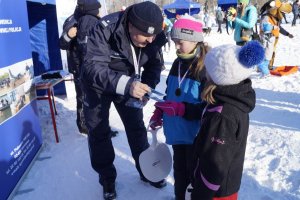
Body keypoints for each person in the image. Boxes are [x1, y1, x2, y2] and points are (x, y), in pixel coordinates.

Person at [81, 2, 167, 200]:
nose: (150, 40)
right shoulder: (105, 28)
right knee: (98, 131)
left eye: (153, 36)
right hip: (97, 86)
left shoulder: (153, 37)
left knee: (136, 128)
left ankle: (146, 170)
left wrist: (146, 87)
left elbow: (154, 65)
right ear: (130, 26)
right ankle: (107, 178)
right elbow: (92, 68)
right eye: (145, 36)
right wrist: (128, 85)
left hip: (129, 83)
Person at [187, 41, 265, 200]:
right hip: (223, 186)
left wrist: (200, 195)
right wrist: (182, 109)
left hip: (215, 192)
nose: (205, 73)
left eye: (208, 70)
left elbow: (215, 165)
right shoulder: (232, 98)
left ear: (219, 76)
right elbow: (205, 110)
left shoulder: (223, 116)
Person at [149, 15, 209, 200]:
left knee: (193, 177)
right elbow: (170, 93)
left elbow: (209, 109)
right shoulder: (177, 62)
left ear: (193, 40)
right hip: (176, 134)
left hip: (194, 137)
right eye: (174, 42)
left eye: (179, 42)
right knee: (180, 174)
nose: (175, 46)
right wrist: (160, 111)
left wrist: (183, 109)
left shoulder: (205, 67)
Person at [59, 0, 100, 134]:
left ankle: (97, 125)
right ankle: (83, 125)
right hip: (78, 67)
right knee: (82, 96)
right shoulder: (72, 21)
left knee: (96, 96)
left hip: (92, 66)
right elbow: (61, 44)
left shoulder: (92, 18)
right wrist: (69, 35)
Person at [258, 0, 294, 77]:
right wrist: (274, 27)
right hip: (267, 40)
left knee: (270, 54)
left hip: (273, 39)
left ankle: (265, 70)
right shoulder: (266, 17)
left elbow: (279, 28)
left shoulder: (274, 17)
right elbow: (265, 27)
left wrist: (287, 34)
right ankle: (264, 70)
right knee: (266, 55)